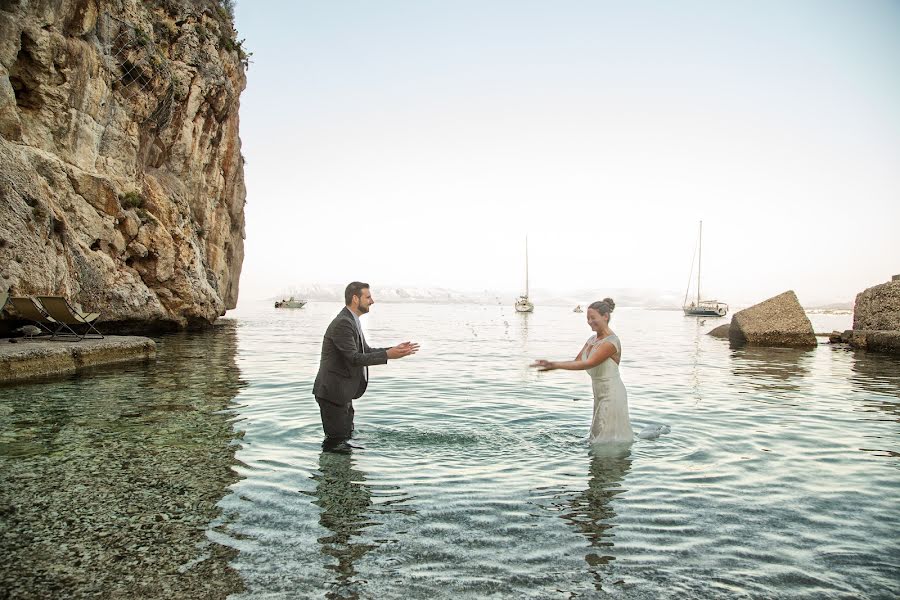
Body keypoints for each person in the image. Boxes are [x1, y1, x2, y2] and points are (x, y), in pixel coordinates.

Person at [313, 281, 419, 450]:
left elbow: (366, 350)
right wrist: (387, 355)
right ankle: (332, 476)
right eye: (368, 297)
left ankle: (341, 474)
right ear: (355, 299)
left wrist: (392, 350)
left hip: (341, 394)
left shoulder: (352, 320)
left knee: (344, 442)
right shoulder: (343, 323)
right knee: (336, 446)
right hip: (333, 395)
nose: (372, 301)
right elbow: (354, 358)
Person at [530, 298, 632, 443]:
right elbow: (577, 362)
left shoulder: (611, 342)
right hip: (599, 393)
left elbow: (588, 363)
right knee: (596, 436)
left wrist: (555, 365)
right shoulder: (592, 339)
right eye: (587, 318)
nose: (589, 321)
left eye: (593, 318)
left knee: (607, 441)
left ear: (605, 316)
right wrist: (552, 365)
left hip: (612, 394)